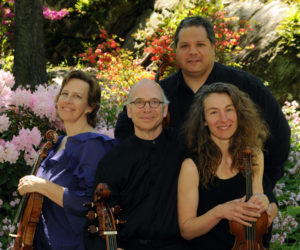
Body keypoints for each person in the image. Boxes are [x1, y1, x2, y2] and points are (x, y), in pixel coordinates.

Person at [114, 16, 290, 238]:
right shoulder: (158, 94)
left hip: (242, 219)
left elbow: (280, 139)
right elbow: (124, 133)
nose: (192, 52)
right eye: (184, 46)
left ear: (213, 48)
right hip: (176, 216)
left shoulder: (246, 86)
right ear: (176, 50)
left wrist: (263, 186)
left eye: (200, 45)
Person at [17, 70, 118, 250]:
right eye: (65, 93)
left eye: (77, 96)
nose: (68, 100)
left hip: (73, 244)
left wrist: (41, 185)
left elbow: (85, 201)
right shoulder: (58, 144)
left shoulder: (93, 145)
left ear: (90, 107)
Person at [85, 79, 191, 250]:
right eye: (139, 102)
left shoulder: (185, 146)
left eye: (154, 102)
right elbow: (94, 226)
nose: (147, 108)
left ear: (165, 110)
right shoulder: (111, 161)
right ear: (129, 111)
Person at [178, 82, 270, 249]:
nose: (223, 119)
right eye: (213, 112)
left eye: (229, 109)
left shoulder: (254, 155)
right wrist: (220, 212)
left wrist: (263, 201)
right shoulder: (191, 166)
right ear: (204, 120)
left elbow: (258, 204)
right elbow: (186, 230)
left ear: (239, 113)